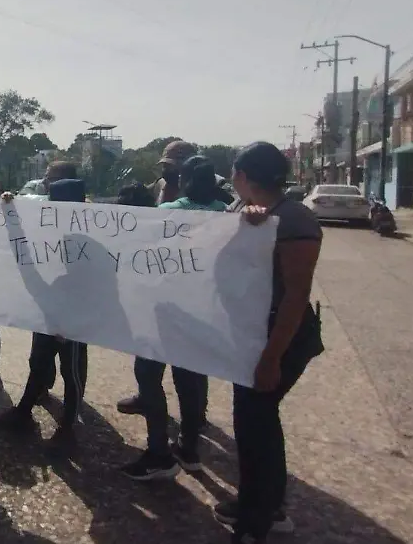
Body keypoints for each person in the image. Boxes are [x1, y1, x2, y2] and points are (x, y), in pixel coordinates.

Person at [214, 142, 325, 543]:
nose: (231, 180)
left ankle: (257, 521)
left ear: (244, 175)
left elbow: (296, 296)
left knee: (256, 423)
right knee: (253, 421)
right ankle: (260, 503)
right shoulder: (247, 211)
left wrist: (271, 358)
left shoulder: (295, 220)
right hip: (255, 335)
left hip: (282, 338)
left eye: (233, 173)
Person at [120, 156, 226, 481]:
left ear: (181, 179)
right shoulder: (228, 215)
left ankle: (158, 453)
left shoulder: (165, 214)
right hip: (203, 311)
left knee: (149, 377)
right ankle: (189, 449)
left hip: (163, 310)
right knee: (190, 381)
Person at [0, 177, 92, 451]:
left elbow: (94, 283)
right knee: (38, 361)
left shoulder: (89, 235)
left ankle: (68, 426)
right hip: (47, 310)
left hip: (72, 319)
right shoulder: (49, 226)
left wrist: (70, 321)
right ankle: (23, 412)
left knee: (71, 371)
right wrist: (10, 209)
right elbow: (23, 242)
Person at [117, 140, 197, 414]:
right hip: (153, 285)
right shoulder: (159, 188)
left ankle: (194, 417)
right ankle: (147, 397)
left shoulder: (204, 191)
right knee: (148, 356)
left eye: (173, 167)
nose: (167, 172)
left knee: (188, 365)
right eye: (165, 166)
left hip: (187, 289)